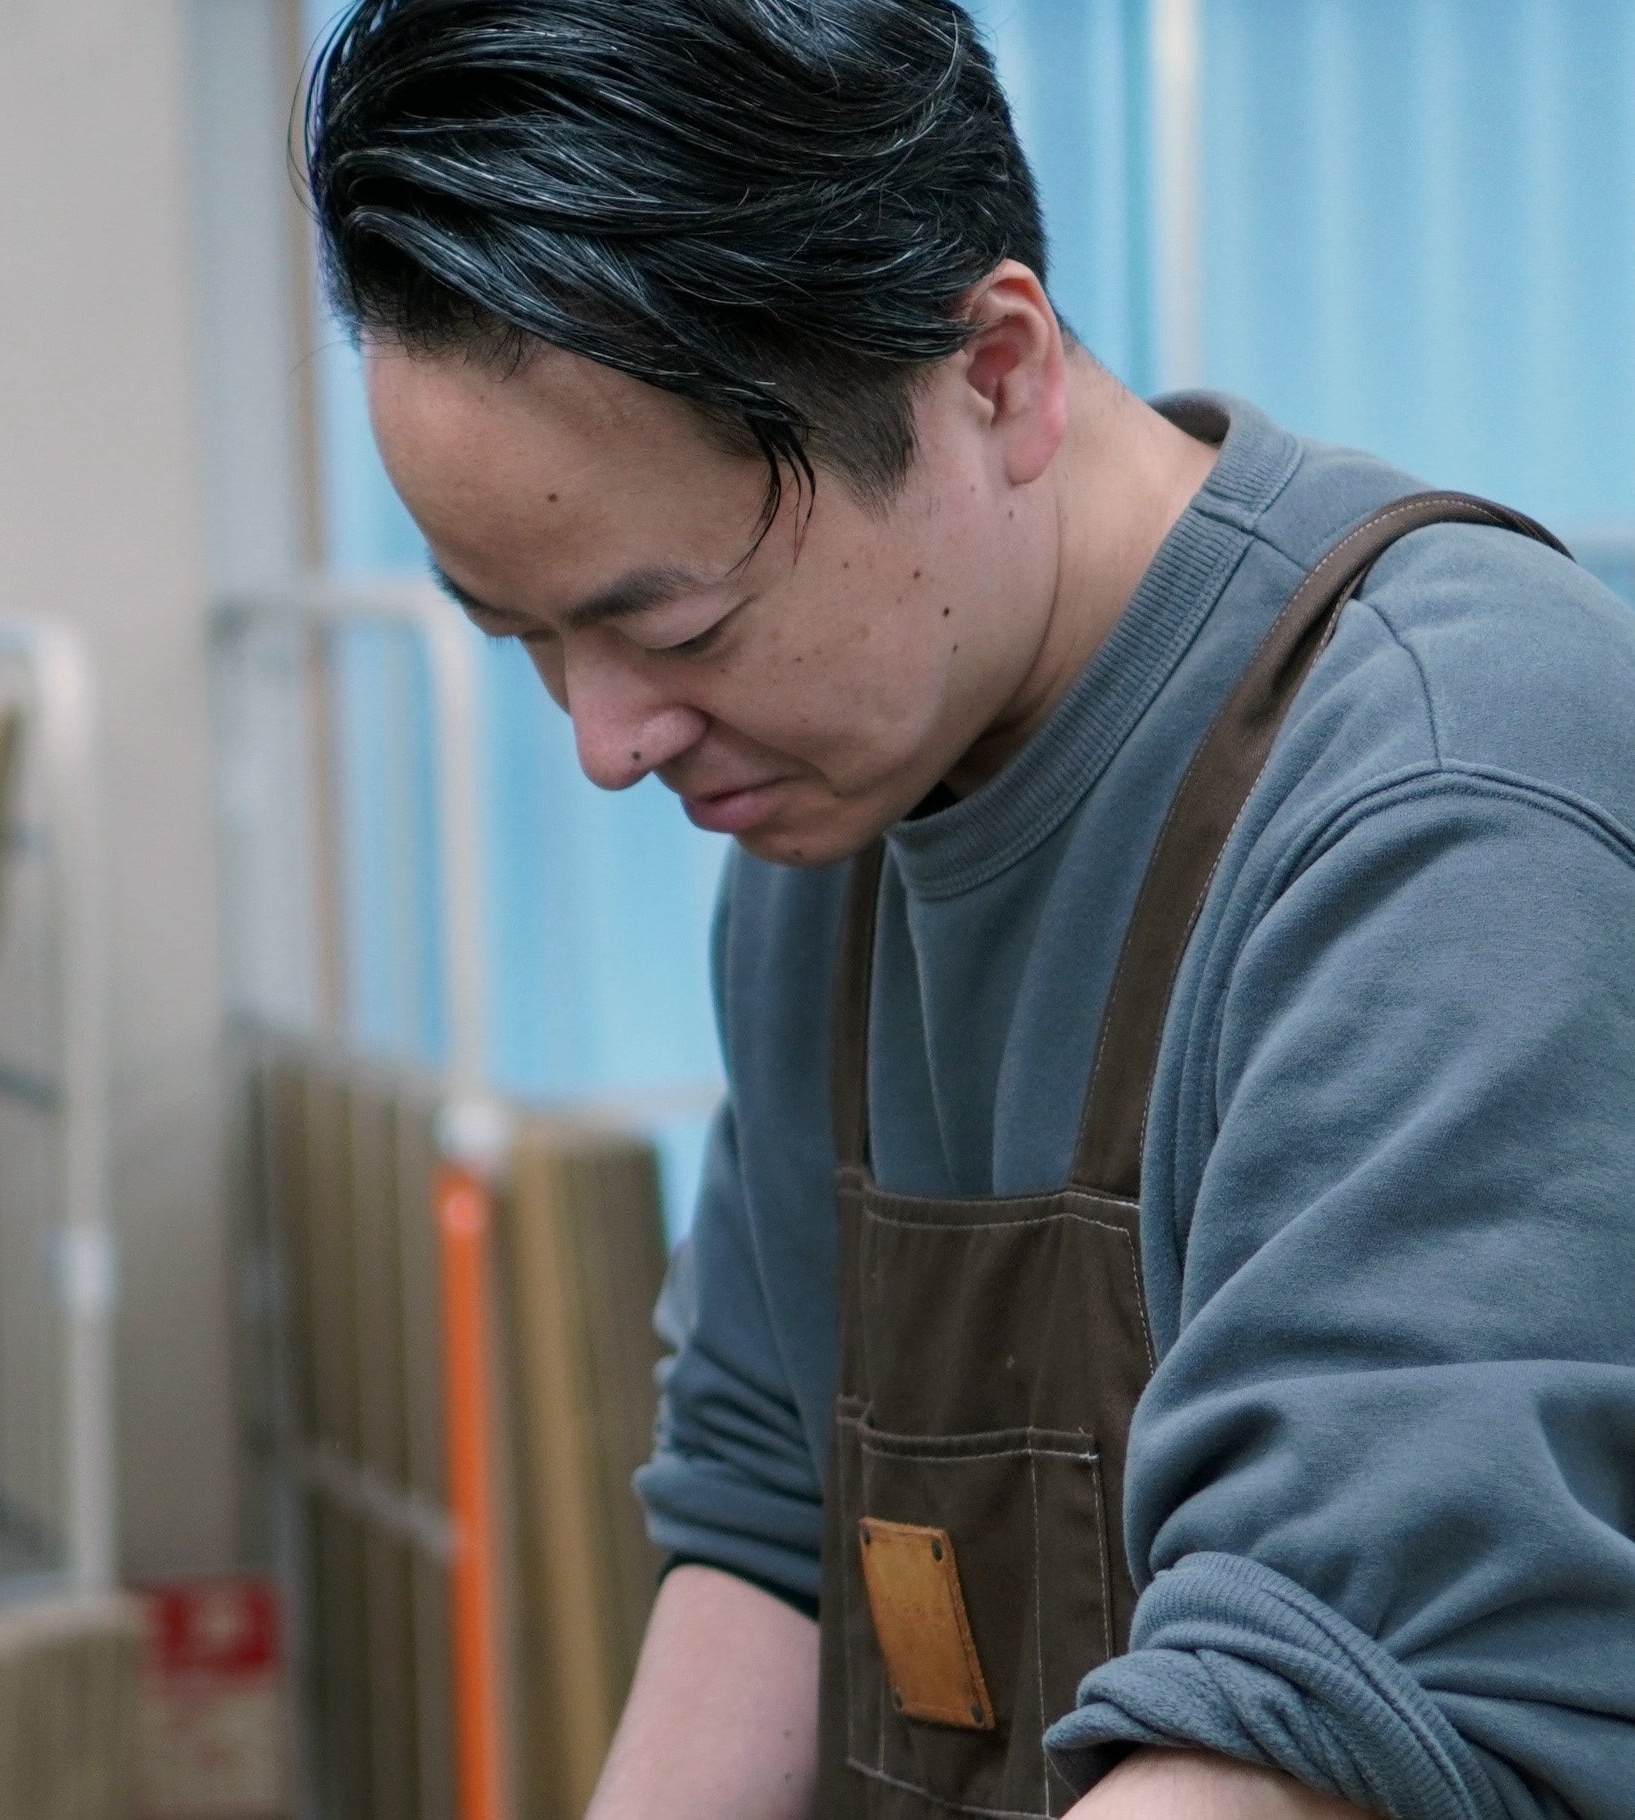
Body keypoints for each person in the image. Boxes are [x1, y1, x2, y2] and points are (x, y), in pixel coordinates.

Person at [303, 3, 1635, 1815]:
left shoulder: (1438, 792)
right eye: (520, 635)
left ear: (996, 375)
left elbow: (1320, 1713)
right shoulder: (830, 816)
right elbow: (769, 1517)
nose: (609, 744)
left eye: (674, 626)